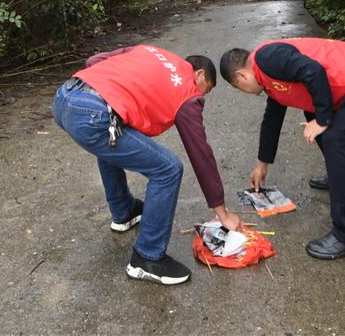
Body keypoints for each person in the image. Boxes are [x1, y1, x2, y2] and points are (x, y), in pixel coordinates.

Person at [53, 44, 242, 286]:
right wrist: (222, 213)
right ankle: (147, 258)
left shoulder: (151, 51)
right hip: (92, 115)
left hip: (65, 97)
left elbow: (94, 59)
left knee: (111, 137)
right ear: (200, 74)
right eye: (206, 91)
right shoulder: (187, 88)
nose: (201, 98)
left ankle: (124, 212)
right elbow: (200, 152)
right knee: (168, 168)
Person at [220, 36, 345, 260]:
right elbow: (272, 118)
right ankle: (339, 176)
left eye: (239, 88)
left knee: (335, 140)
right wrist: (261, 164)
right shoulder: (266, 76)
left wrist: (323, 120)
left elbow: (313, 71)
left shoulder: (267, 58)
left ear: (241, 75)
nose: (244, 91)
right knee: (313, 111)